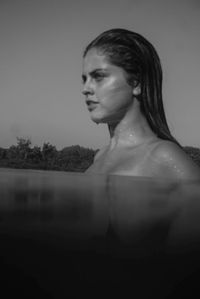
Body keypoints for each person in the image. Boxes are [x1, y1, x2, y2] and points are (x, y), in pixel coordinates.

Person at [82, 28, 200, 180]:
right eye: (85, 79)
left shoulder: (164, 156)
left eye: (98, 77)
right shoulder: (99, 156)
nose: (85, 89)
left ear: (136, 83)